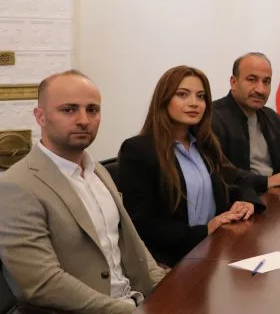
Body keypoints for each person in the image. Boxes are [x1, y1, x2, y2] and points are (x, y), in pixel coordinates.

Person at [0, 70, 165, 313]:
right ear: (40, 116)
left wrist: (170, 290)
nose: (84, 120)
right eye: (69, 110)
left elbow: (133, 246)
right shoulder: (17, 186)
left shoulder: (98, 171)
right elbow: (42, 283)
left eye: (92, 110)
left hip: (135, 300)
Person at [116, 66, 266, 266]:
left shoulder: (205, 144)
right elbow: (140, 223)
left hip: (214, 252)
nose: (194, 103)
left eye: (201, 96)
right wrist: (204, 231)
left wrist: (247, 201)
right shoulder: (138, 150)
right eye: (183, 94)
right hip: (169, 262)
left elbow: (234, 182)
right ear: (164, 100)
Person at [213, 52, 280, 193]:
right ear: (234, 82)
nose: (261, 90)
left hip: (275, 195)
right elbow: (220, 172)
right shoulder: (213, 118)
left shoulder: (271, 117)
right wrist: (267, 181)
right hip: (242, 199)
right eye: (252, 80)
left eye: (266, 82)